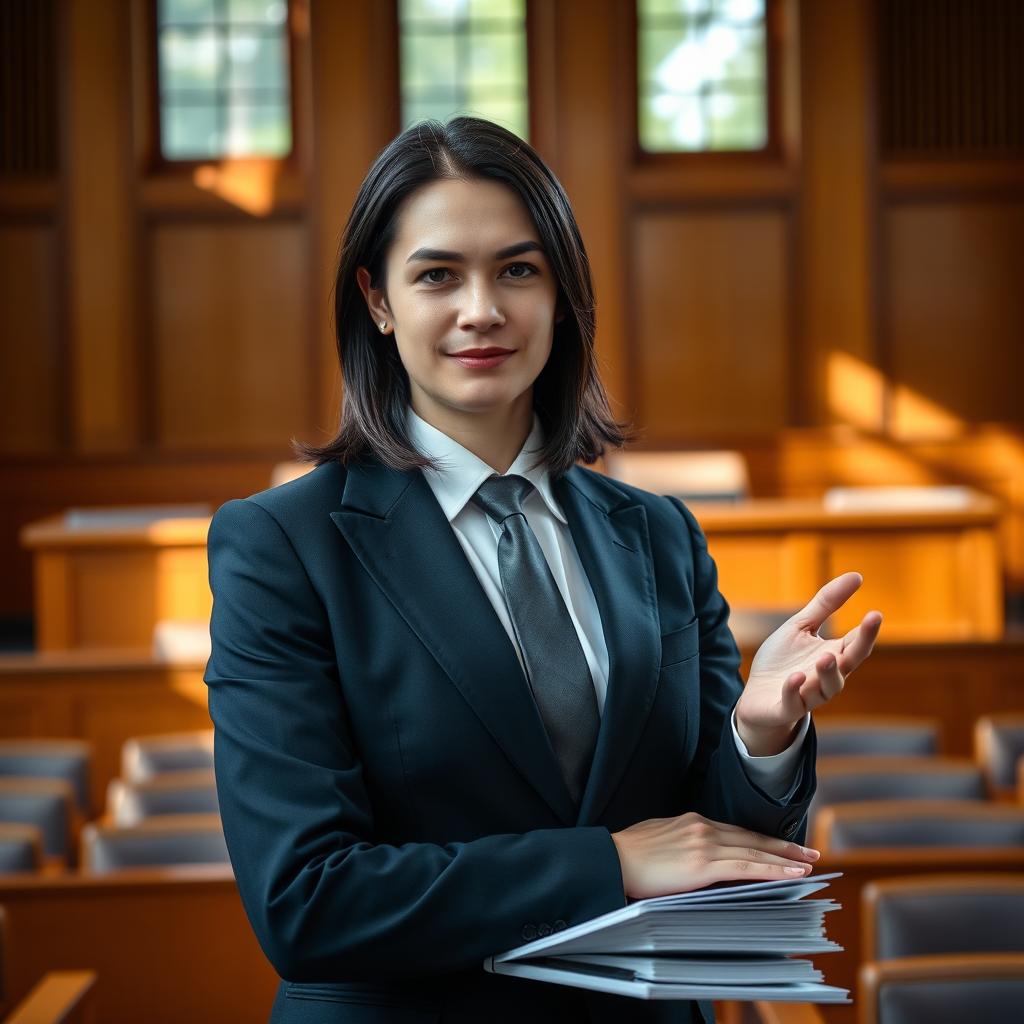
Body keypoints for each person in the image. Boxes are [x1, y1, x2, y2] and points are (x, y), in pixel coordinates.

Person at [204, 116, 882, 1024]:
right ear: (376, 300)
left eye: (517, 271)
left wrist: (758, 735)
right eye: (437, 274)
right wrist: (611, 863)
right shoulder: (282, 545)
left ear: (561, 297)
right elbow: (307, 901)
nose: (481, 308)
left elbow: (717, 846)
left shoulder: (658, 534)